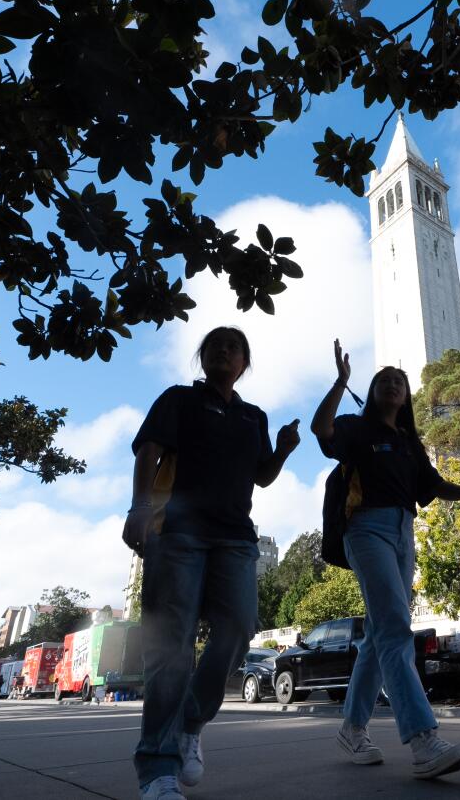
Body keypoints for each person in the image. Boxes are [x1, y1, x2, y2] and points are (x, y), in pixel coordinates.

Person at [125, 327, 300, 800]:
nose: (224, 351)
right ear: (203, 358)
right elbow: (149, 450)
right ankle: (158, 769)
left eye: (234, 346)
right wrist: (139, 508)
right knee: (172, 648)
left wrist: (282, 450)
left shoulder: (254, 416)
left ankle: (191, 722)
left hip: (235, 538)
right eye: (215, 345)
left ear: (245, 361)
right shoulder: (179, 399)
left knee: (240, 627)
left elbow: (261, 477)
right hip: (177, 531)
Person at [311, 340, 460, 780]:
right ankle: (424, 740)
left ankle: (352, 728)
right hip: (365, 529)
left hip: (404, 531)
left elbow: (431, 483)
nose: (391, 385)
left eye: (398, 382)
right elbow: (321, 428)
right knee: (393, 627)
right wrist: (340, 381)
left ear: (406, 396)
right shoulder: (356, 428)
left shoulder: (409, 442)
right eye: (383, 381)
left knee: (377, 634)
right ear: (371, 392)